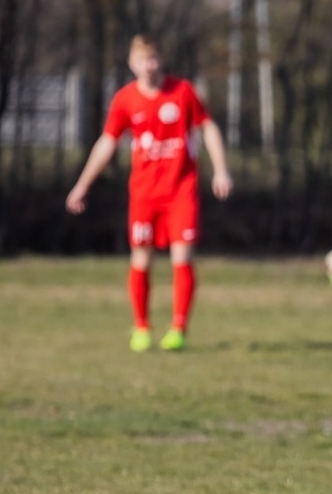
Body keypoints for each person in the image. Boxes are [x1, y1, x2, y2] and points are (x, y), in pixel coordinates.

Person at [66, 35, 232, 351]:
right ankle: (141, 327)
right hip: (144, 193)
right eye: (142, 60)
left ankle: (178, 328)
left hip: (181, 189)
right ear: (132, 63)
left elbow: (207, 127)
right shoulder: (125, 100)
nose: (149, 66)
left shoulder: (182, 92)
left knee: (181, 256)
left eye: (154, 59)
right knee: (140, 258)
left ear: (162, 59)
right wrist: (82, 184)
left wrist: (221, 169)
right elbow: (107, 142)